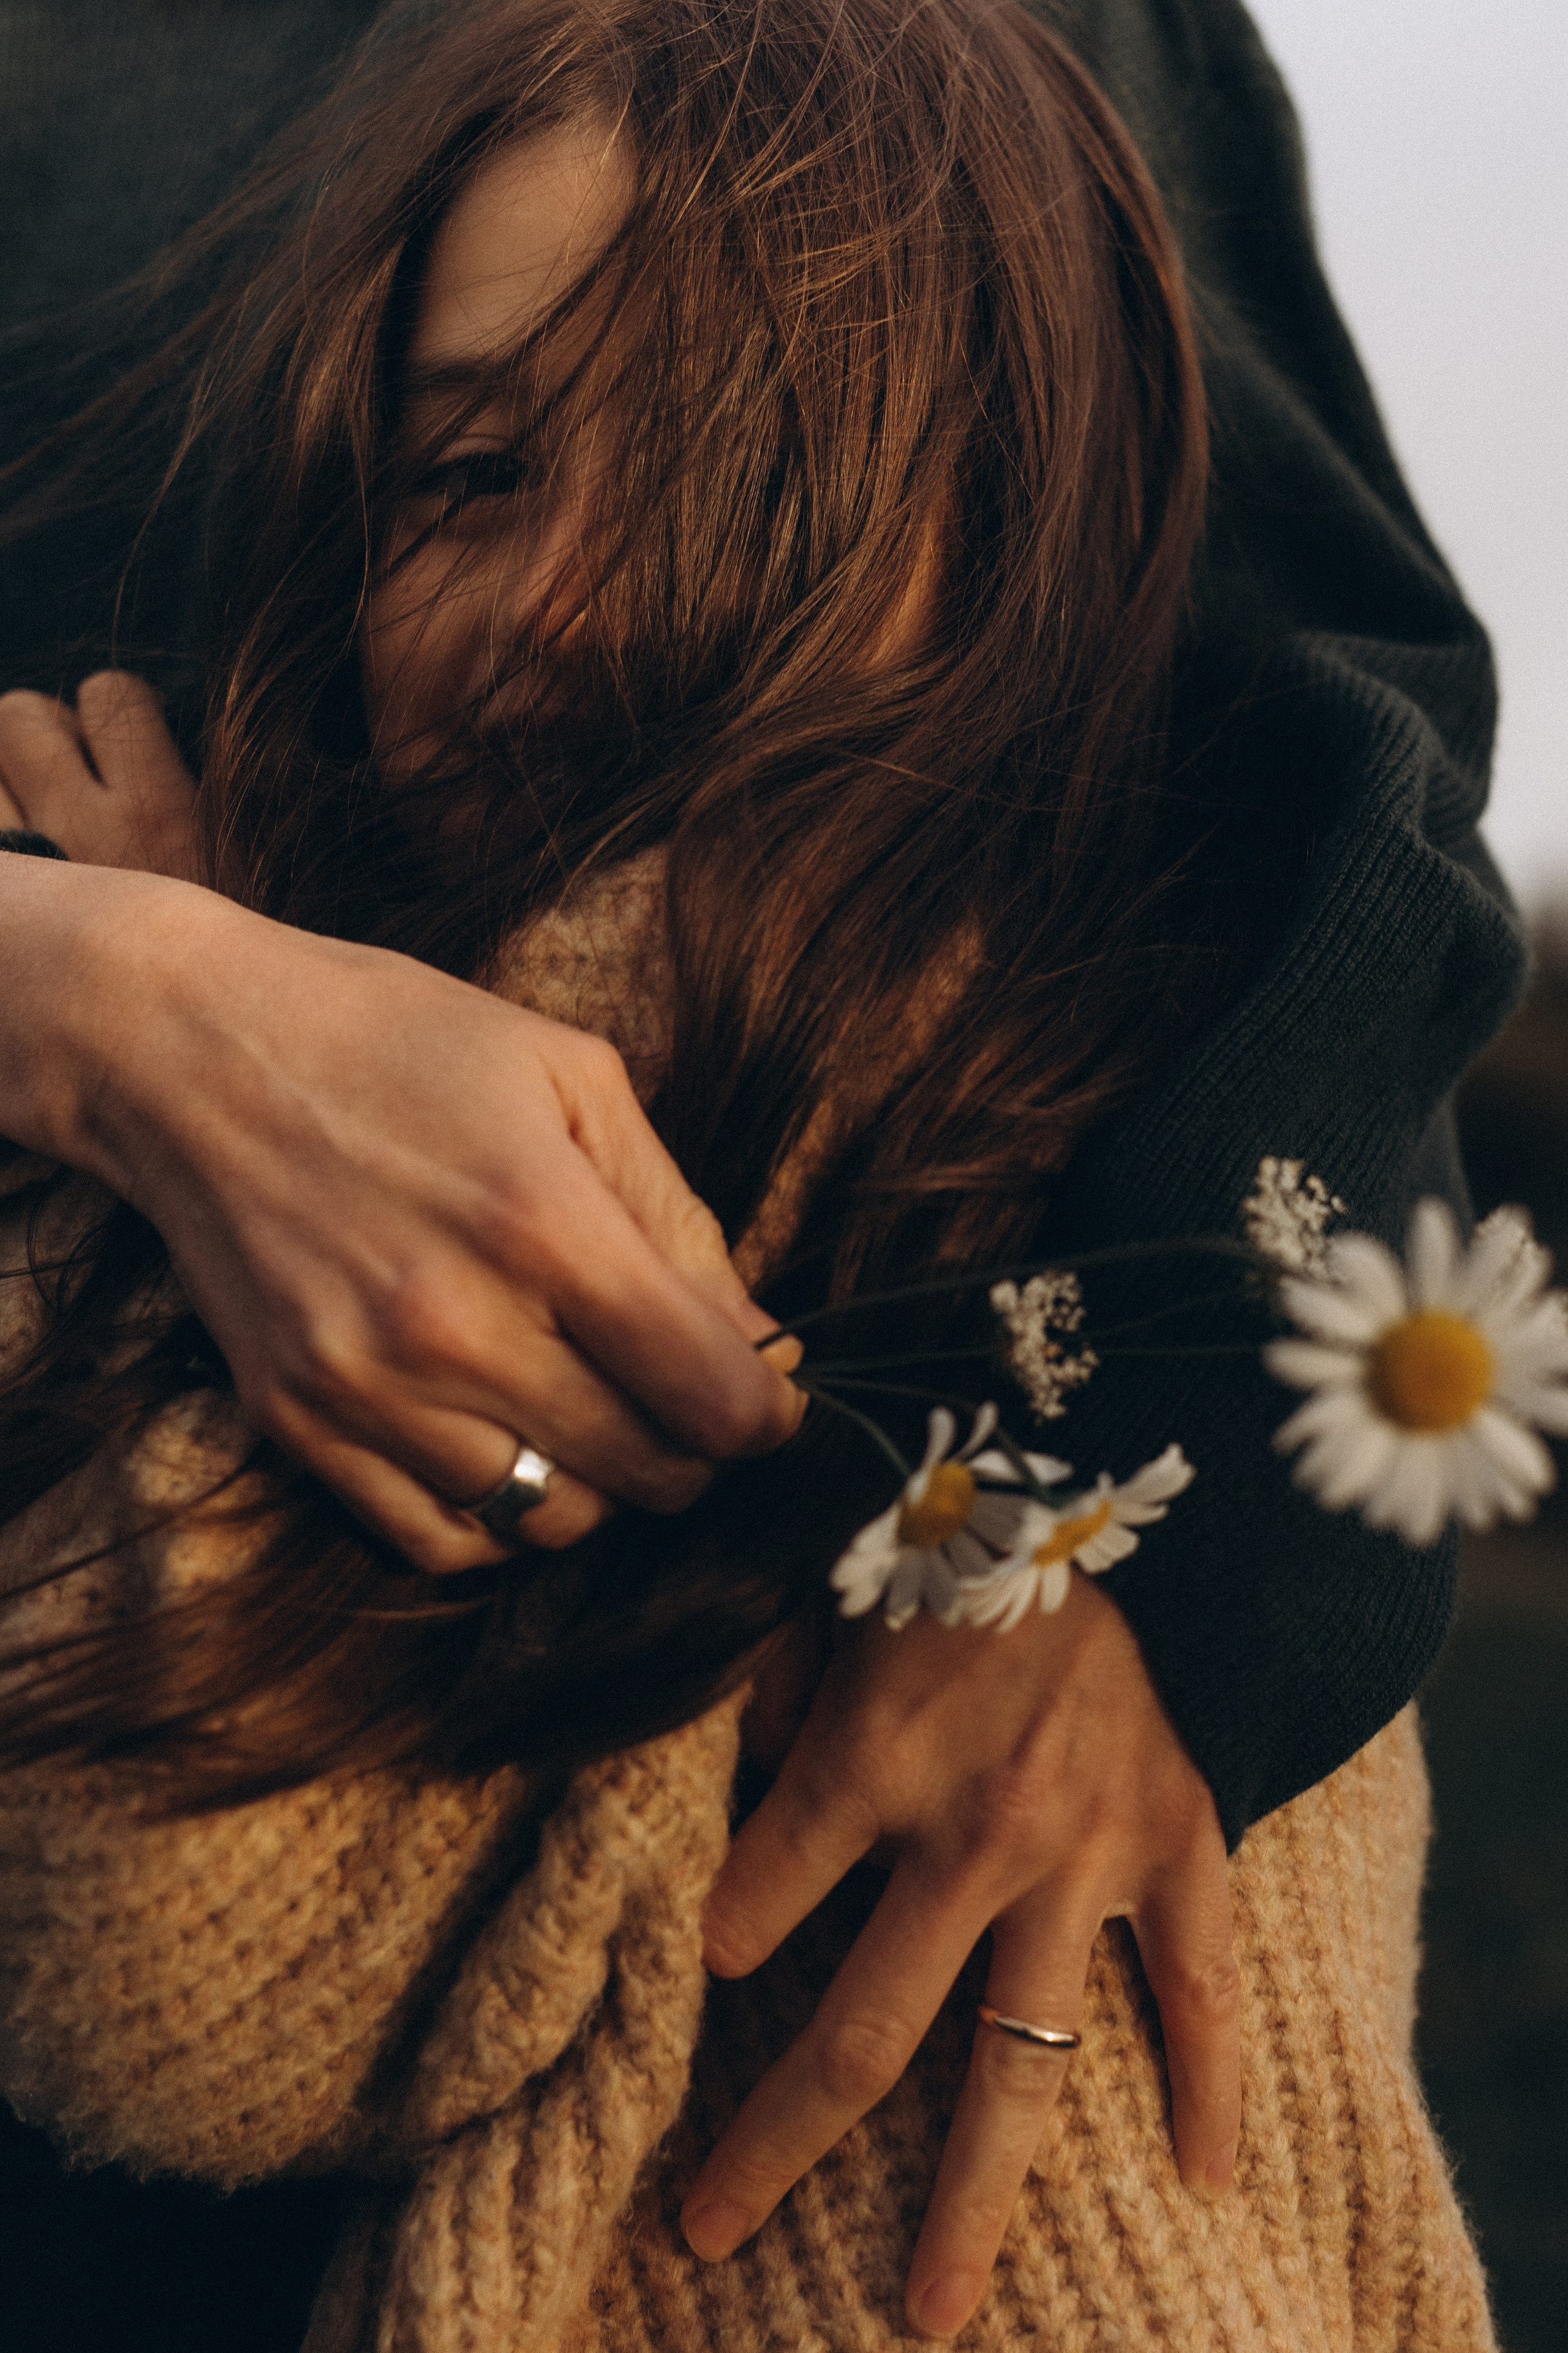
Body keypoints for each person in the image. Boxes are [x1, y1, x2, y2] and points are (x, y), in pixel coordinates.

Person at [0, 1, 1520, 2343]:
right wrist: (115, 995)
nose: (564, 598)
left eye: (729, 471)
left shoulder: (746, 1044)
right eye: (463, 475)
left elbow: (1323, 766)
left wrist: (1165, 1555)